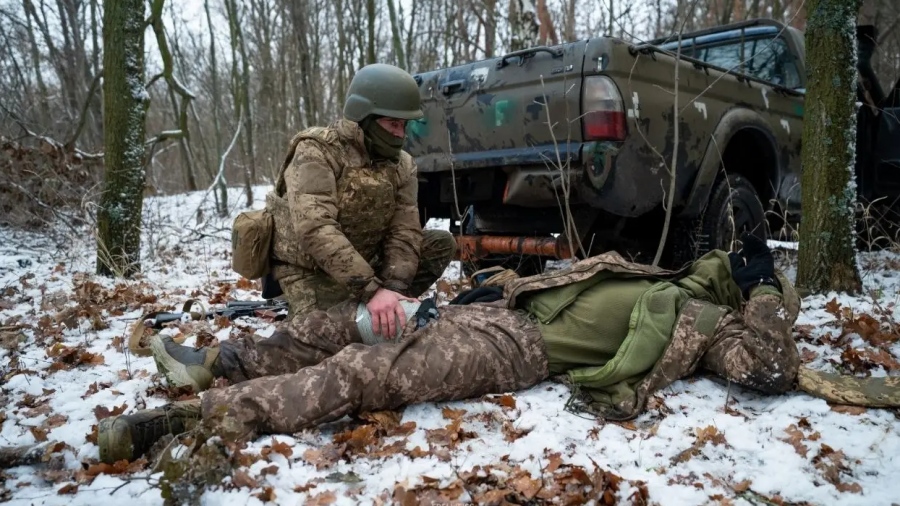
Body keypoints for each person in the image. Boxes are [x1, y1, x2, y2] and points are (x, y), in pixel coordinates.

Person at [97, 234, 804, 463]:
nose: (724, 263)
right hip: (494, 309)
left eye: (738, 270)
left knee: (366, 373)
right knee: (346, 324)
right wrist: (492, 287)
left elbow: (770, 369)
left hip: (515, 349)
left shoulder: (714, 321)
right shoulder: (661, 275)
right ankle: (218, 363)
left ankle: (199, 419)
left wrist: (767, 293)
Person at [265, 62, 456, 331]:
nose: (400, 135)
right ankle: (359, 306)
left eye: (404, 125)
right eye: (392, 124)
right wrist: (371, 290)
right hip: (312, 270)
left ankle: (382, 307)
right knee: (324, 337)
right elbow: (315, 228)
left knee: (440, 243)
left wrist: (393, 287)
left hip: (367, 261)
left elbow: (405, 230)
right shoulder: (316, 151)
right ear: (364, 116)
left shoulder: (402, 164)